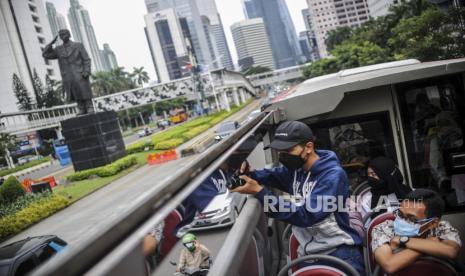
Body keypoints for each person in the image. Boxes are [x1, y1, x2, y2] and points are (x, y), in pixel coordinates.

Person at [232, 121, 364, 274]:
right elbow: (272, 175)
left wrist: (260, 193)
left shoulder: (332, 176)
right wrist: (247, 174)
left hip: (339, 254)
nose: (283, 156)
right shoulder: (296, 171)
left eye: (288, 150)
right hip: (309, 255)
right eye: (280, 152)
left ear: (308, 147)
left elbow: (305, 215)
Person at [372, 189, 461, 274]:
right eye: (400, 214)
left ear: (433, 223)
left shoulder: (442, 228)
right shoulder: (384, 228)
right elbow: (389, 265)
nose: (402, 220)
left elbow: (451, 251)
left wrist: (402, 240)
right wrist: (429, 244)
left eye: (412, 219)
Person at [42, 29, 93, 115]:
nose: (63, 36)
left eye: (64, 34)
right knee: (74, 92)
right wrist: (51, 43)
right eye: (61, 35)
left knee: (84, 90)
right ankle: (81, 108)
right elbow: (45, 55)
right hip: (68, 76)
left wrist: (86, 71)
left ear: (69, 34)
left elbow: (86, 59)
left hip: (80, 73)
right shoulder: (58, 49)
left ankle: (89, 106)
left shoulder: (78, 45)